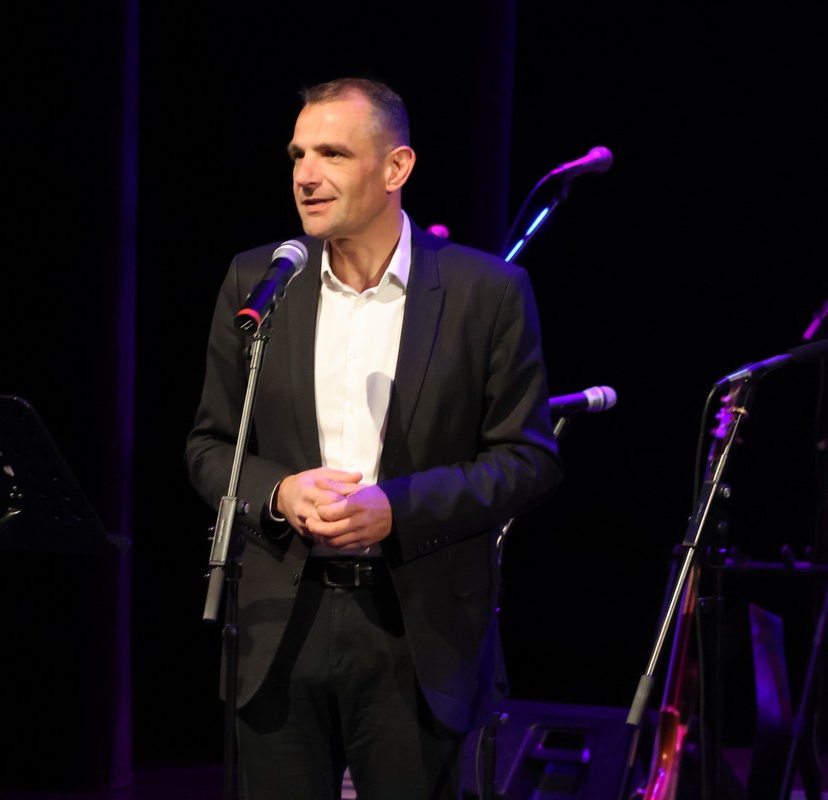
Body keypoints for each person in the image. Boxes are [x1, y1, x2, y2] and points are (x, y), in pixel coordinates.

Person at [185, 77, 562, 799]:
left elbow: (528, 459)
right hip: (279, 624)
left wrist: (399, 508)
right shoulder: (260, 280)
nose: (305, 174)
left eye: (332, 153)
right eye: (298, 154)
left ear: (396, 168)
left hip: (417, 630)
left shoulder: (487, 292)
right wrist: (279, 492)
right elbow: (209, 445)